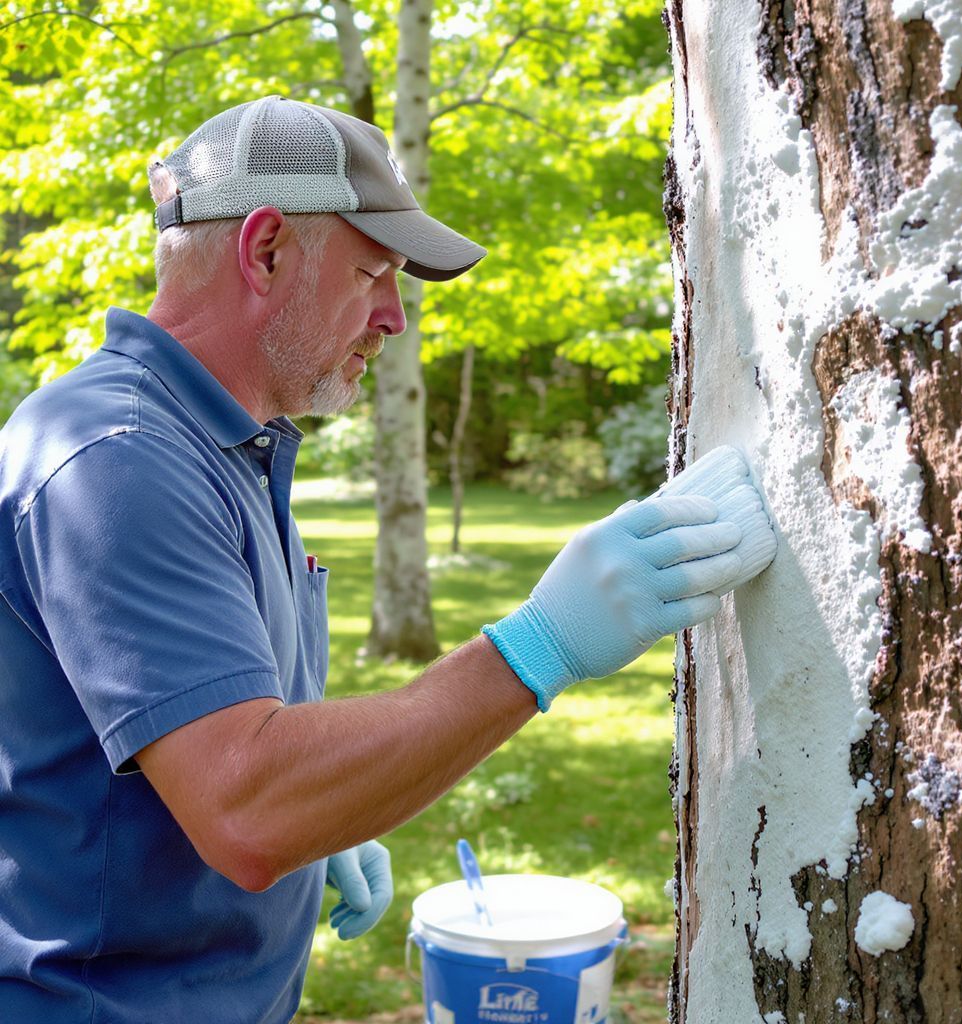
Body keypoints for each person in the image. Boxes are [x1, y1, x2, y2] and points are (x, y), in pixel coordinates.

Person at [0, 96, 745, 1023]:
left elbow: (223, 734)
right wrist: (540, 647)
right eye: (374, 273)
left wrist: (320, 826)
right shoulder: (117, 456)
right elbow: (246, 804)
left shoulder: (225, 447)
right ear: (265, 249)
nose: (395, 317)